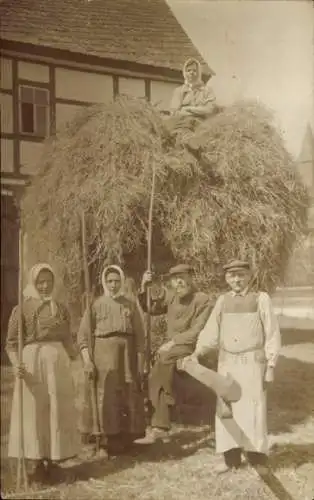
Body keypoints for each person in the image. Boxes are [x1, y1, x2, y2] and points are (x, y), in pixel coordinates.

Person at [192, 259, 281, 474]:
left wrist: (270, 366)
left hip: (252, 363)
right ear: (226, 278)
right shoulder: (222, 301)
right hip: (227, 363)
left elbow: (272, 333)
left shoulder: (261, 299)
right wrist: (197, 352)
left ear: (249, 276)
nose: (237, 280)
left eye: (241, 275)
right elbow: (211, 331)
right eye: (232, 276)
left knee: (253, 411)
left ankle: (257, 460)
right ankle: (230, 460)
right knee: (226, 411)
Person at [6, 263, 79, 483]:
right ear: (33, 283)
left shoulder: (61, 308)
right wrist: (16, 364)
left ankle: (54, 460)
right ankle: (34, 463)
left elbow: (67, 339)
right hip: (31, 363)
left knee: (56, 411)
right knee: (34, 412)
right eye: (40, 282)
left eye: (49, 281)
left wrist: (77, 360)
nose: (45, 286)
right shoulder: (22, 309)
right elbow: (10, 344)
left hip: (57, 363)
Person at [139, 264, 212, 442]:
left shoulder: (202, 300)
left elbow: (197, 331)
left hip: (191, 346)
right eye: (174, 279)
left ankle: (162, 417)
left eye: (182, 277)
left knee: (162, 359)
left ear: (191, 278)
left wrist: (172, 342)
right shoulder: (171, 297)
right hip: (173, 349)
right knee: (160, 365)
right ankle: (160, 422)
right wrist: (144, 286)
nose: (179, 282)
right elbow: (150, 308)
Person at [77, 265, 146, 456]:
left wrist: (141, 362)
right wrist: (87, 361)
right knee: (105, 396)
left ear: (122, 282)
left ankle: (125, 438)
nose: (113, 285)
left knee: (126, 393)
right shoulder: (96, 304)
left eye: (117, 281)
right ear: (104, 283)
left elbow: (140, 337)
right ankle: (104, 441)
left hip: (127, 356)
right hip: (103, 356)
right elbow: (83, 336)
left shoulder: (130, 304)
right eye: (110, 281)